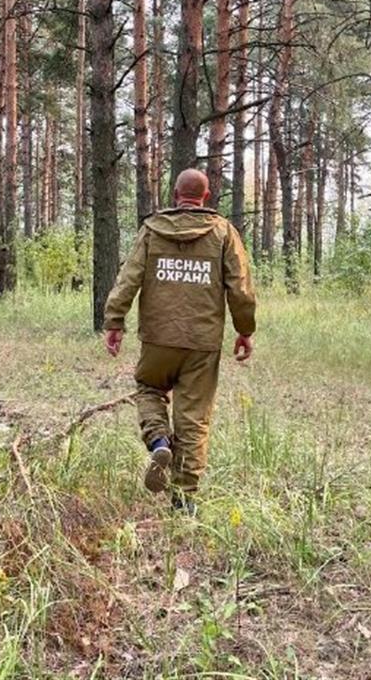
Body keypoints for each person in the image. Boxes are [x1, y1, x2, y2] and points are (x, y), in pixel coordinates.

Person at [102, 169, 256, 514]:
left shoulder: (152, 231)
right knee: (194, 417)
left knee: (148, 388)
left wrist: (115, 321)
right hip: (202, 342)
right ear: (206, 196)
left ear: (175, 194)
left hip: (158, 337)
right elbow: (241, 288)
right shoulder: (222, 233)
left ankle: (158, 440)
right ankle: (184, 500)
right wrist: (244, 330)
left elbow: (128, 279)